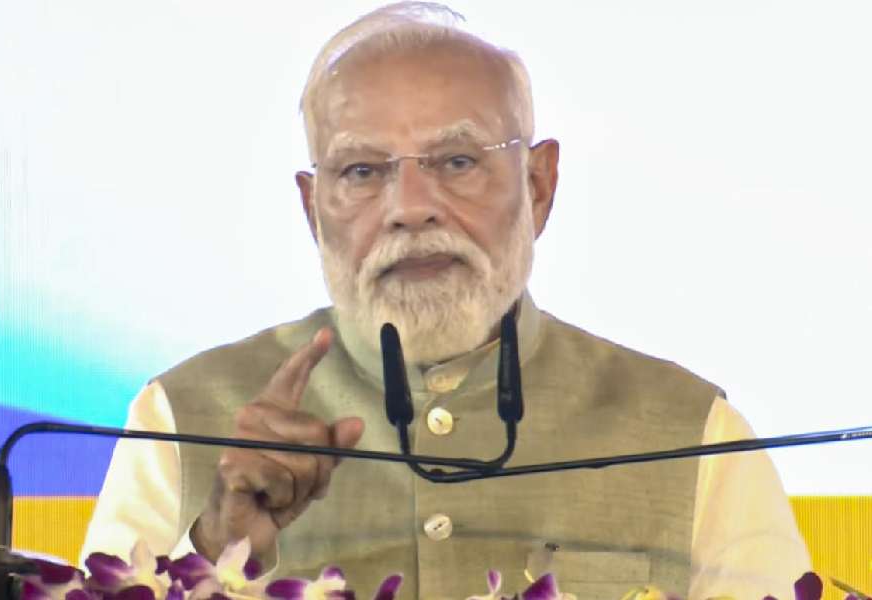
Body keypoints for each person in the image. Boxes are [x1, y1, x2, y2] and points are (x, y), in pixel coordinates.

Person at [81, 3, 811, 598]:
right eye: (362, 170)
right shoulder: (178, 421)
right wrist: (212, 546)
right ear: (312, 209)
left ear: (539, 185)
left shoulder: (694, 435)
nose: (409, 207)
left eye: (457, 162)